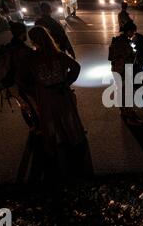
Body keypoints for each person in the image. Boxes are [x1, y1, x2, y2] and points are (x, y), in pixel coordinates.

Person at [18, 26, 92, 182]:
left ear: (34, 40)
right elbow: (76, 67)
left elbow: (22, 79)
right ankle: (72, 141)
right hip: (61, 92)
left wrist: (34, 89)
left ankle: (56, 146)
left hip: (45, 95)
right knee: (67, 117)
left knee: (49, 119)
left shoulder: (32, 58)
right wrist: (66, 82)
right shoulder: (58, 55)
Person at [108, 21, 141, 125]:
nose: (133, 34)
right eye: (133, 32)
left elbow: (111, 57)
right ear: (129, 31)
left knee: (120, 91)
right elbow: (129, 57)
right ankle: (129, 114)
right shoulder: (125, 42)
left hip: (116, 69)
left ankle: (123, 111)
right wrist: (134, 52)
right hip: (123, 70)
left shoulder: (116, 40)